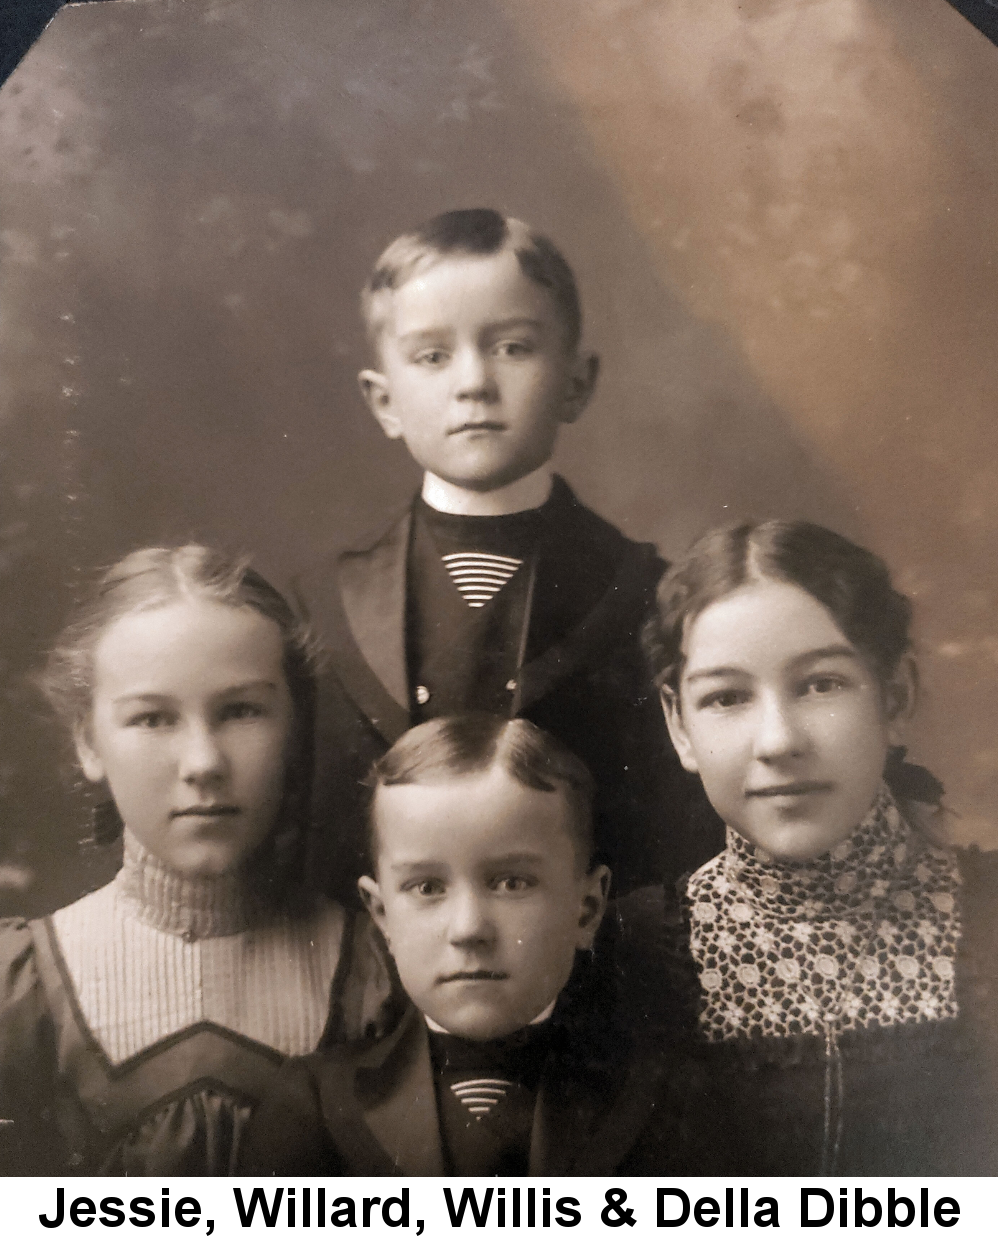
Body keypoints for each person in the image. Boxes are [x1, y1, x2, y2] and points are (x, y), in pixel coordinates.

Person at [293, 207, 719, 899]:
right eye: (432, 356)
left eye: (512, 348)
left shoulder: (647, 596)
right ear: (383, 402)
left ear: (577, 381)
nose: (474, 383)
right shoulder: (325, 604)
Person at [616, 519, 998, 1175]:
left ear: (895, 696)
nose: (777, 741)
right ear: (679, 725)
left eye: (820, 684)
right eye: (727, 697)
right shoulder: (627, 950)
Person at [0, 545, 395, 1176]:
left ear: (293, 727)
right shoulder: (19, 993)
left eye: (241, 711)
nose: (205, 763)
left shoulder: (377, 972)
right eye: (153, 718)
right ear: (88, 742)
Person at [239, 713, 727, 1176]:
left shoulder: (668, 1096)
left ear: (587, 909)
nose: (469, 929)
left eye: (512, 883)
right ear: (382, 914)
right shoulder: (314, 1106)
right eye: (427, 888)